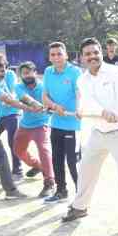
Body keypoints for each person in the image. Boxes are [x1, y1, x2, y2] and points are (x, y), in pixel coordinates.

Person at [62, 38, 118, 236]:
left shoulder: (114, 72)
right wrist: (99, 111)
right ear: (82, 58)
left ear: (101, 53)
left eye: (95, 52)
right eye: (88, 54)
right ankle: (80, 207)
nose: (92, 56)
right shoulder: (82, 80)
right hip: (98, 132)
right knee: (86, 171)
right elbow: (88, 101)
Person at [0, 55, 35, 200]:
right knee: (1, 156)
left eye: (2, 71)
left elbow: (11, 98)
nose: (0, 74)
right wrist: (30, 108)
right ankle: (10, 190)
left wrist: (31, 103)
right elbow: (9, 101)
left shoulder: (1, 82)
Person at [42, 42, 82, 204]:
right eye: (53, 55)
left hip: (73, 125)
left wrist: (79, 109)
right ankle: (61, 191)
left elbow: (80, 94)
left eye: (59, 54)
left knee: (73, 162)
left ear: (66, 55)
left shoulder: (75, 72)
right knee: (56, 159)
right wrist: (54, 106)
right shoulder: (47, 72)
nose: (56, 57)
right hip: (56, 124)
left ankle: (81, 196)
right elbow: (44, 96)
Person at [12, 61, 57, 198]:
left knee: (44, 150)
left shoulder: (44, 87)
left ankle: (49, 182)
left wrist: (50, 108)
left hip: (42, 124)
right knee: (18, 150)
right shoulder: (18, 86)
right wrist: (34, 103)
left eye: (29, 72)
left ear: (35, 73)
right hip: (25, 125)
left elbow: (52, 104)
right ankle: (38, 165)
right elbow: (25, 98)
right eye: (24, 74)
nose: (26, 76)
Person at [0, 54, 24, 181]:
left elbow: (12, 92)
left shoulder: (10, 75)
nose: (1, 71)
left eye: (3, 68)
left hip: (12, 113)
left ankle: (17, 169)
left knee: (13, 142)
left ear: (6, 66)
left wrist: (7, 98)